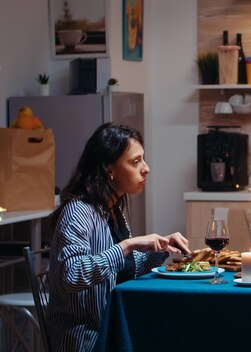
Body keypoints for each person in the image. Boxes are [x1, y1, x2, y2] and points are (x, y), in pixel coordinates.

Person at [47, 123, 190, 351]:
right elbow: (69, 277)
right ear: (109, 169)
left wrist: (161, 248)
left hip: (113, 327)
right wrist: (127, 245)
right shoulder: (78, 212)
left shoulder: (113, 208)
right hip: (87, 338)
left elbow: (123, 271)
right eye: (135, 162)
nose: (146, 169)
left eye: (143, 159)